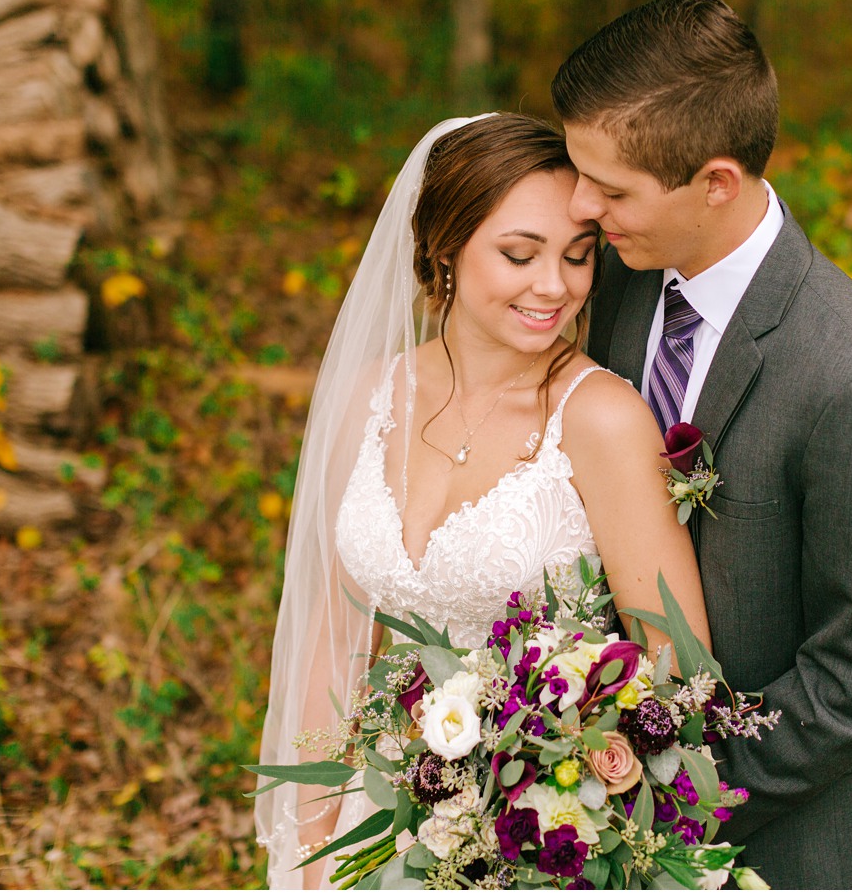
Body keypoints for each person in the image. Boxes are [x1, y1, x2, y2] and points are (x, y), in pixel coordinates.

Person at [254, 113, 710, 889]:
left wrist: (553, 802)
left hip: (541, 846)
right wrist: (309, 844)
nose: (555, 285)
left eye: (576, 255)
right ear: (445, 249)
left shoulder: (602, 418)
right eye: (519, 253)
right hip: (371, 832)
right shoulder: (372, 398)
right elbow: (333, 645)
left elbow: (675, 667)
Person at [556, 0, 852, 891]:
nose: (582, 206)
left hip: (778, 844)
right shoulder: (619, 276)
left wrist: (672, 788)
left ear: (716, 182)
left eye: (610, 188)